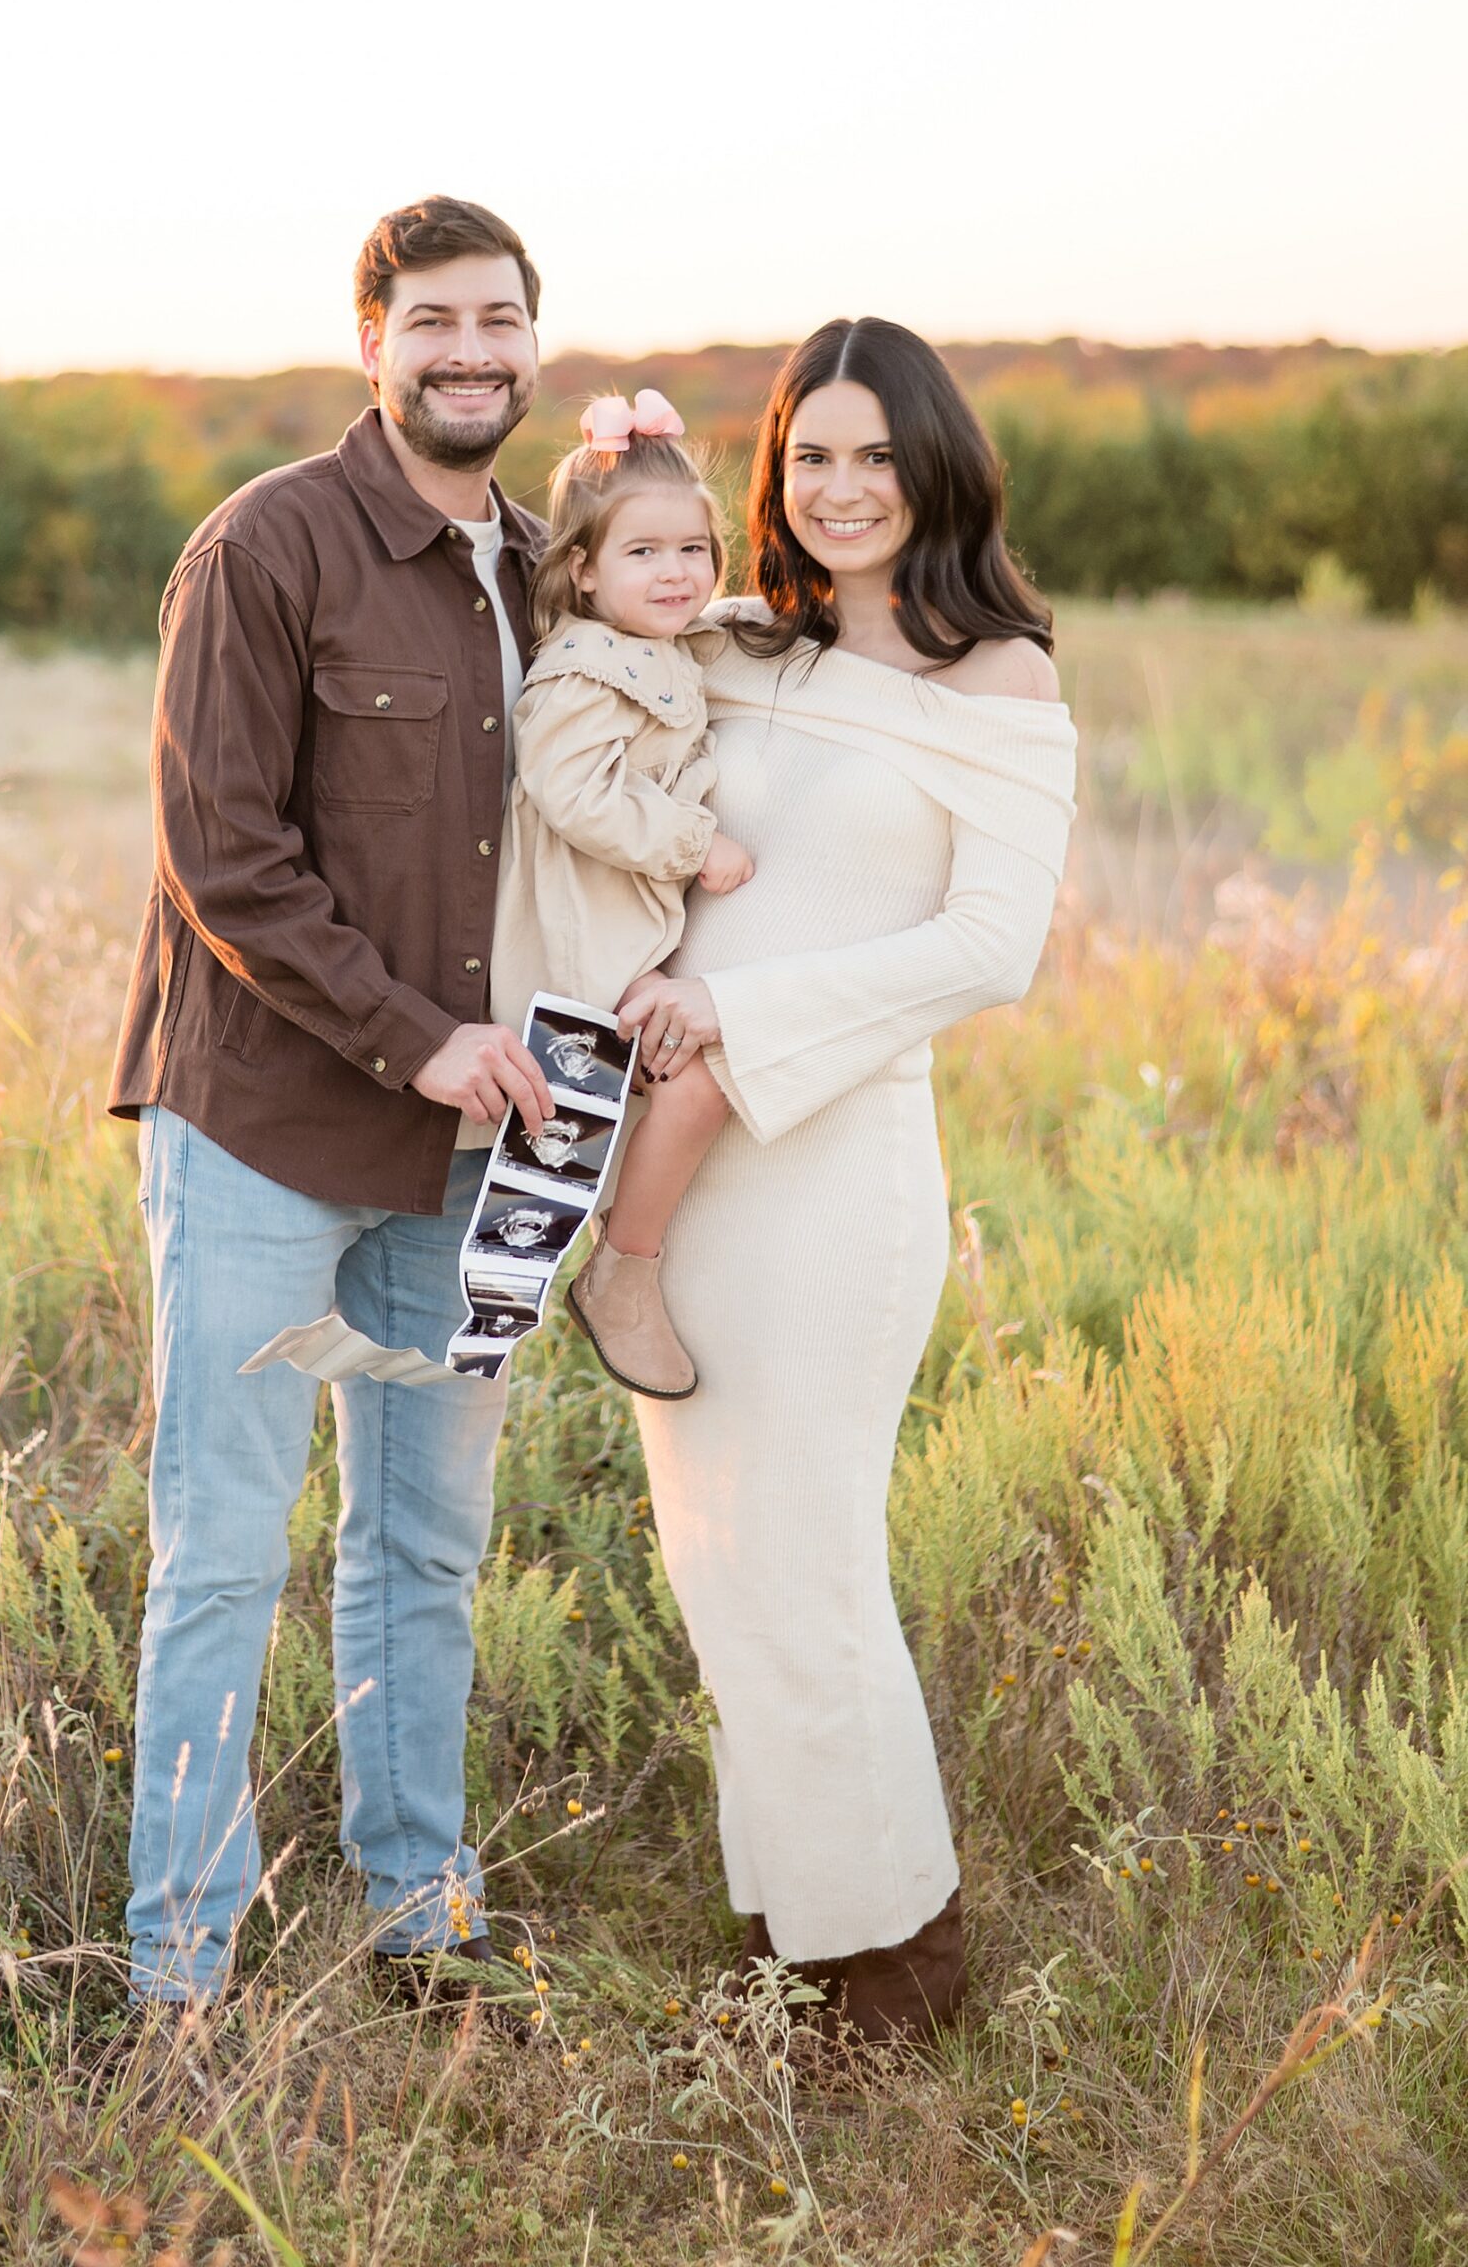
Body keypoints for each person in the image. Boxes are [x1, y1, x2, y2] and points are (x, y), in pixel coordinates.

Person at [106, 194, 560, 2011]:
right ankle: (178, 1972)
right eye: (434, 321)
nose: (469, 354)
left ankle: (418, 1918)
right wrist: (416, 1039)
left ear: (538, 342)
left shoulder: (554, 562)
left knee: (425, 1547)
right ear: (371, 336)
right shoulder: (268, 545)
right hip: (266, 1132)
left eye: (500, 322)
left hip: (468, 1159)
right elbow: (220, 851)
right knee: (223, 1551)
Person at [613, 316, 1078, 2046]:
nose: (840, 486)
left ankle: (900, 1962)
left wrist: (734, 1009)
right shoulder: (738, 650)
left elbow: (987, 948)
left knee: (803, 1559)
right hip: (682, 1179)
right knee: (718, 1562)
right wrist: (612, 468)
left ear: (934, 465)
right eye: (809, 454)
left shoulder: (1001, 686)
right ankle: (801, 1934)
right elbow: (584, 636)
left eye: (874, 453)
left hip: (833, 1172)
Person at [488, 388, 753, 1399]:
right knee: (541, 1175)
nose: (675, 572)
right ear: (584, 568)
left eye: (692, 550)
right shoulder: (578, 672)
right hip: (572, 959)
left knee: (664, 1098)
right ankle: (492, 1329)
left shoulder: (664, 651)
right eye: (642, 553)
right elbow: (575, 794)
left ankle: (612, 1271)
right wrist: (696, 845)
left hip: (620, 944)